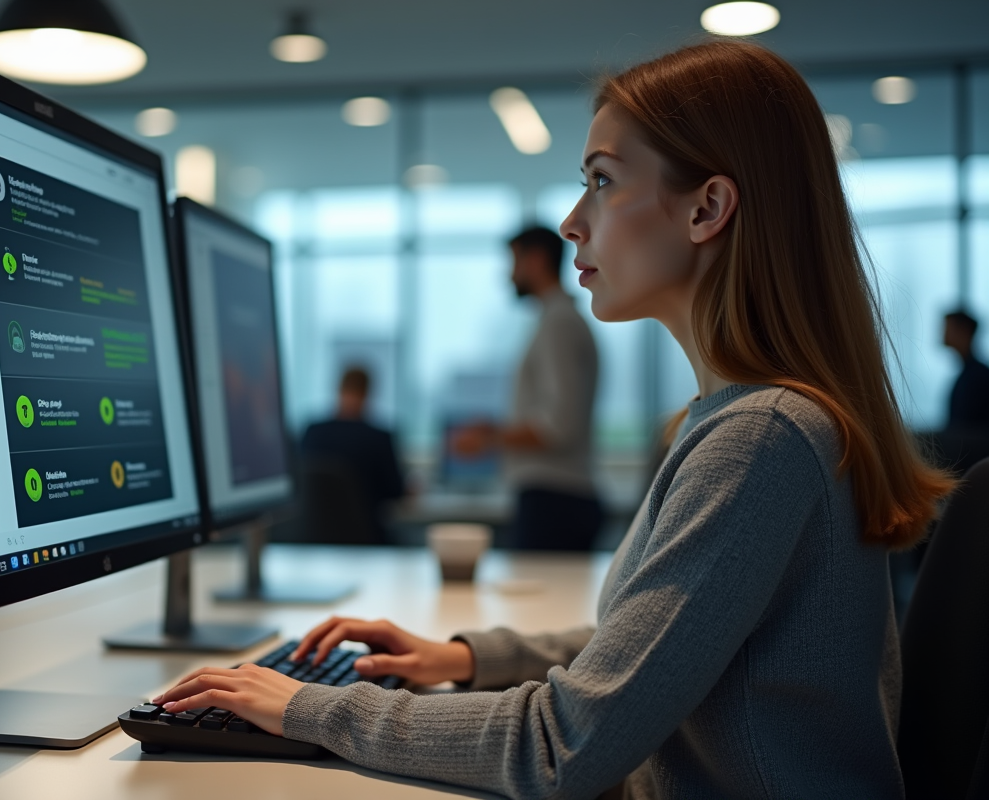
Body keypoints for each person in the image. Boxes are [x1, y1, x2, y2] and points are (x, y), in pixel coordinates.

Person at [149, 41, 953, 799]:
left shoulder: (759, 440)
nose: (573, 220)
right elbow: (648, 653)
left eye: (601, 180)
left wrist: (307, 707)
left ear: (707, 207)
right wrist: (465, 657)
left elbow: (562, 746)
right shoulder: (743, 421)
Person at [451, 225, 601, 551]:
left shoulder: (558, 324)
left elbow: (558, 426)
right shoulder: (554, 320)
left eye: (514, 262)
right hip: (553, 498)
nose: (510, 276)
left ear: (536, 260)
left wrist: (488, 438)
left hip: (554, 500)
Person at [299, 367, 405, 544]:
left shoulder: (313, 432)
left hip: (312, 537)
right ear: (366, 393)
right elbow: (395, 491)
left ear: (339, 389)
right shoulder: (379, 438)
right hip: (367, 540)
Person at [942, 309, 989, 428]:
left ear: (964, 331)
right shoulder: (971, 375)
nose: (943, 332)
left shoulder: (977, 378)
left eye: (948, 327)